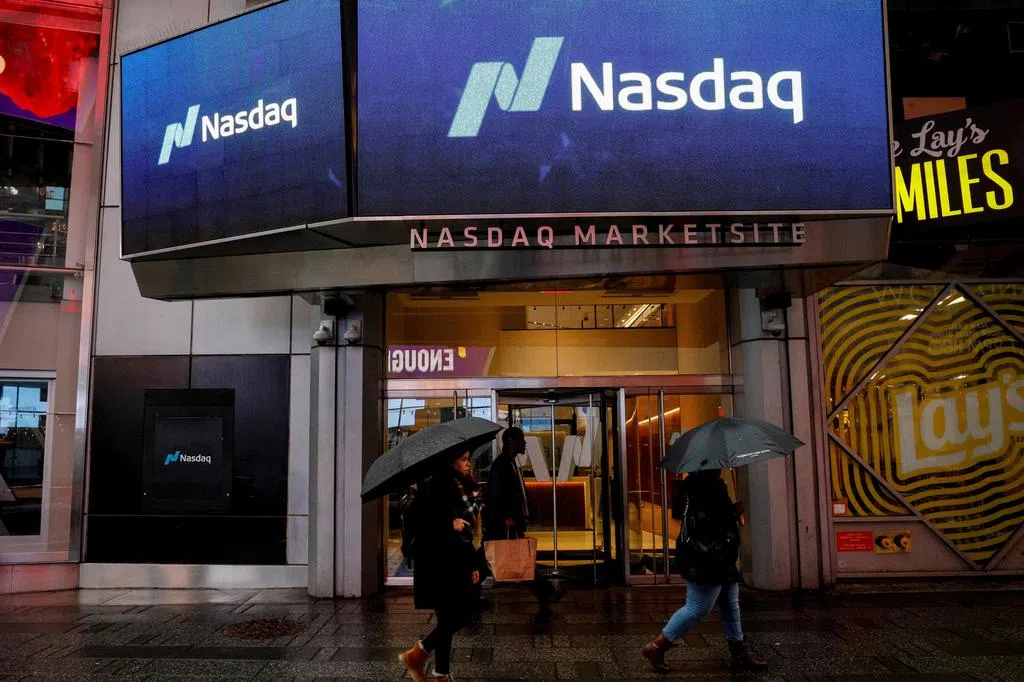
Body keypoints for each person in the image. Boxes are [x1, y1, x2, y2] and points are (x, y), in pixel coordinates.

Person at [641, 469, 767, 673]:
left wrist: (732, 510)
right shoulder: (705, 487)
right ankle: (657, 646)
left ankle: (739, 653)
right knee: (697, 607)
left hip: (720, 556)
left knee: (730, 604)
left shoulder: (700, 485)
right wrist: (733, 512)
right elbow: (706, 522)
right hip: (709, 557)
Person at [399, 451, 483, 682]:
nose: (468, 464)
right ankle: (419, 654)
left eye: (468, 458)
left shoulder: (455, 484)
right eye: (463, 459)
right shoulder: (439, 486)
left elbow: (462, 531)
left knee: (448, 618)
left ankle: (440, 673)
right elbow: (427, 525)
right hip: (442, 564)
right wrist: (450, 525)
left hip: (449, 561)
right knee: (461, 615)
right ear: (450, 462)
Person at [483, 426, 565, 615]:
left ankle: (546, 594)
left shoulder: (509, 463)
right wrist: (507, 518)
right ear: (511, 441)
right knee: (516, 558)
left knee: (509, 558)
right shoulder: (502, 465)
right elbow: (497, 495)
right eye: (521, 439)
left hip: (504, 523)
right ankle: (547, 594)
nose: (525, 443)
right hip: (502, 523)